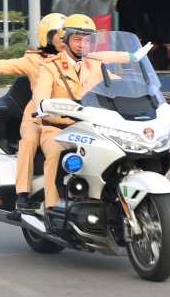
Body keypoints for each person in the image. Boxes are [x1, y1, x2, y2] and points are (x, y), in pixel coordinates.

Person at [32, 14, 150, 213]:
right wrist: (46, 107)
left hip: (91, 126)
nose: (82, 44)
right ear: (66, 39)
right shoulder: (49, 67)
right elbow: (40, 99)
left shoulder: (94, 63)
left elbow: (114, 82)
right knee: (55, 153)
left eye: (87, 40)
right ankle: (51, 206)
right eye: (78, 39)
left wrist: (139, 94)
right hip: (58, 127)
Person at [0, 13, 65, 218]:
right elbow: (7, 64)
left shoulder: (76, 59)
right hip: (37, 115)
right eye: (59, 34)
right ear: (47, 36)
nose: (64, 38)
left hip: (71, 116)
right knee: (29, 140)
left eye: (67, 34)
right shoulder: (34, 60)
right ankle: (23, 196)